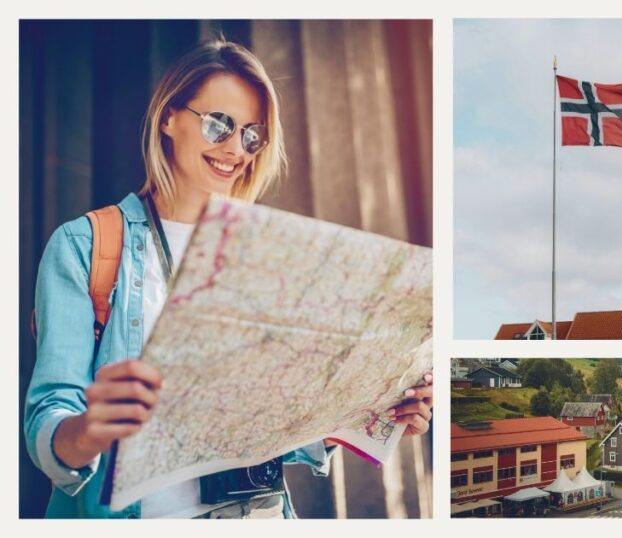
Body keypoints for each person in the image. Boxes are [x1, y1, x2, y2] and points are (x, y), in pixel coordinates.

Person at [24, 40, 432, 519]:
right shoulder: (84, 245)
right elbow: (47, 422)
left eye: (252, 136)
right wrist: (90, 429)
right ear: (169, 118)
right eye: (219, 124)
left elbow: (282, 426)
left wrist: (374, 407)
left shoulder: (269, 260)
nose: (235, 148)